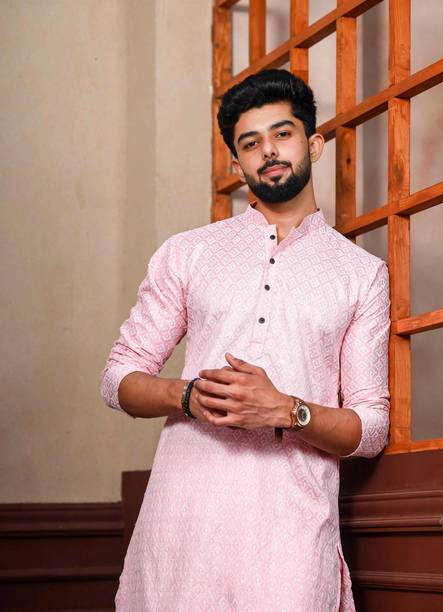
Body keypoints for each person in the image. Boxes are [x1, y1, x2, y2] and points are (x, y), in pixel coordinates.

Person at [101, 69, 391, 611]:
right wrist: (188, 396)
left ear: (314, 144)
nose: (269, 151)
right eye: (251, 143)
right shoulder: (189, 253)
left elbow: (371, 426)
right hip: (181, 523)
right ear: (238, 165)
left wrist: (287, 411)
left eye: (283, 134)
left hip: (292, 533)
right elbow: (118, 378)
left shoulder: (361, 273)